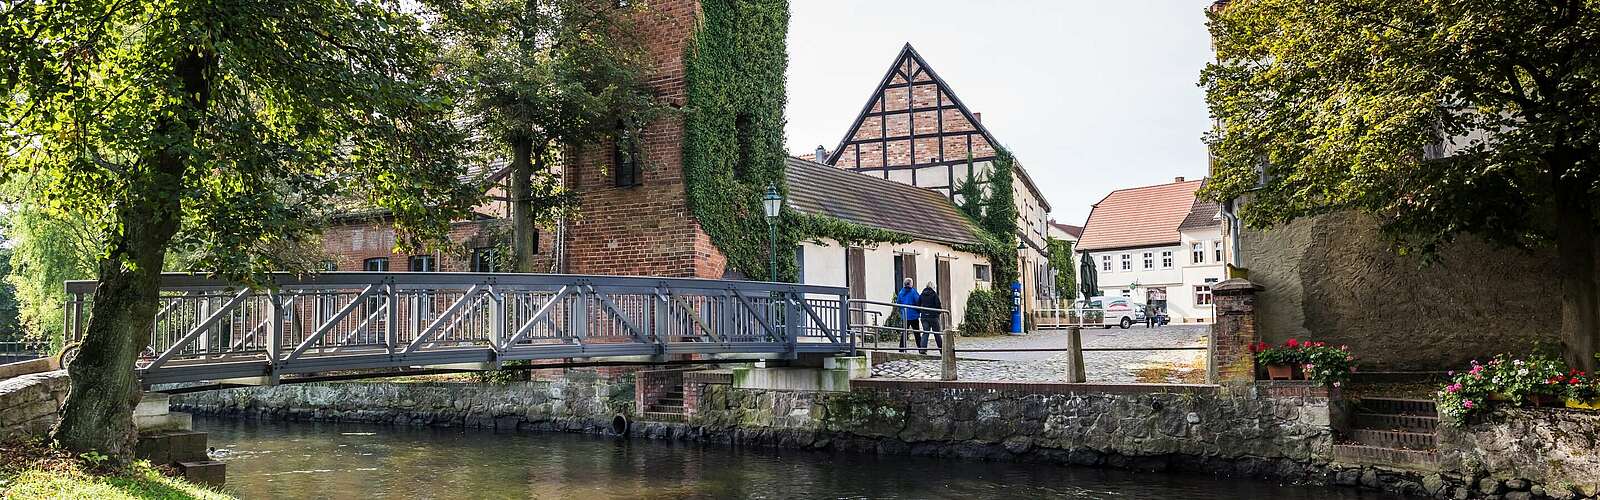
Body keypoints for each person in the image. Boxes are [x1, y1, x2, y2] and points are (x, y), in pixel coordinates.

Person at [894, 278, 920, 351]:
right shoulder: (913, 292)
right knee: (917, 333)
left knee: (904, 332)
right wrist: (919, 311)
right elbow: (918, 302)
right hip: (913, 315)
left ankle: (901, 348)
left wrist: (902, 311)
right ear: (910, 284)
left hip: (905, 316)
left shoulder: (901, 292)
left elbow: (898, 303)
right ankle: (921, 348)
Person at [916, 281, 943, 353]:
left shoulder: (922, 294)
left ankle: (922, 350)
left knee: (925, 333)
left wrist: (922, 312)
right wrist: (938, 313)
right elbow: (938, 306)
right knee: (937, 334)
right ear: (933, 287)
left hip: (924, 317)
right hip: (933, 317)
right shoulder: (934, 295)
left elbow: (918, 305)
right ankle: (942, 350)